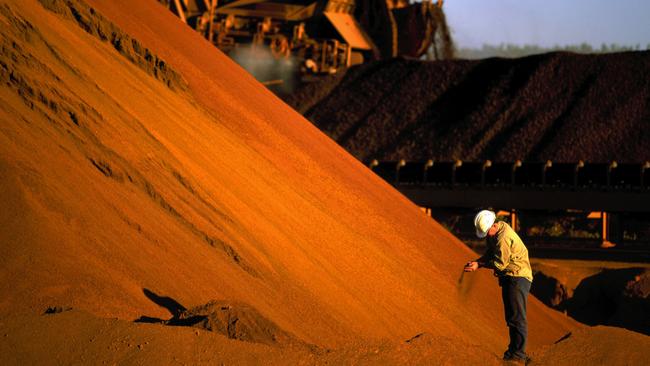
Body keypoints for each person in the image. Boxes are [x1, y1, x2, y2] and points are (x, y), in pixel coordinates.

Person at [464, 210, 533, 363]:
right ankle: (513, 351)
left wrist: (479, 265)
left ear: (493, 225)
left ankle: (519, 354)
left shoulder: (503, 237)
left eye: (488, 231)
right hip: (510, 277)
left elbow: (500, 264)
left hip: (518, 276)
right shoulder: (496, 231)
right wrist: (478, 261)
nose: (487, 235)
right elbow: (490, 253)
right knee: (511, 317)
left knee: (517, 317)